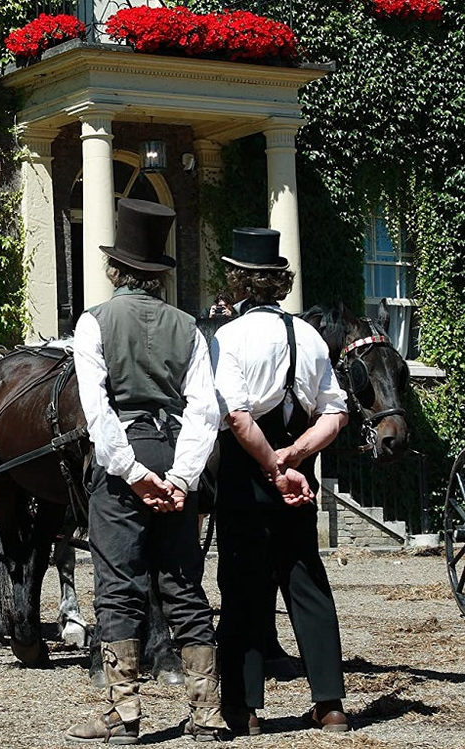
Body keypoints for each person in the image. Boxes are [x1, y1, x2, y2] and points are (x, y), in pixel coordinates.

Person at [67, 199, 228, 744]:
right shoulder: (189, 326)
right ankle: (206, 714)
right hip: (175, 446)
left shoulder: (95, 323)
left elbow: (98, 411)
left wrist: (131, 471)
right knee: (183, 584)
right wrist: (180, 477)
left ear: (116, 270)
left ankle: (123, 714)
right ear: (158, 274)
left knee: (119, 586)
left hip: (125, 457)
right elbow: (205, 409)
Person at [211, 228, 350, 735]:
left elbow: (237, 416)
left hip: (250, 472)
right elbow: (336, 413)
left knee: (243, 583)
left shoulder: (230, 336)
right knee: (306, 579)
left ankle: (244, 709)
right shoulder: (310, 336)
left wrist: (272, 463)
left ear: (240, 281)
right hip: (298, 466)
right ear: (278, 282)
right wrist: (295, 456)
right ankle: (330, 703)